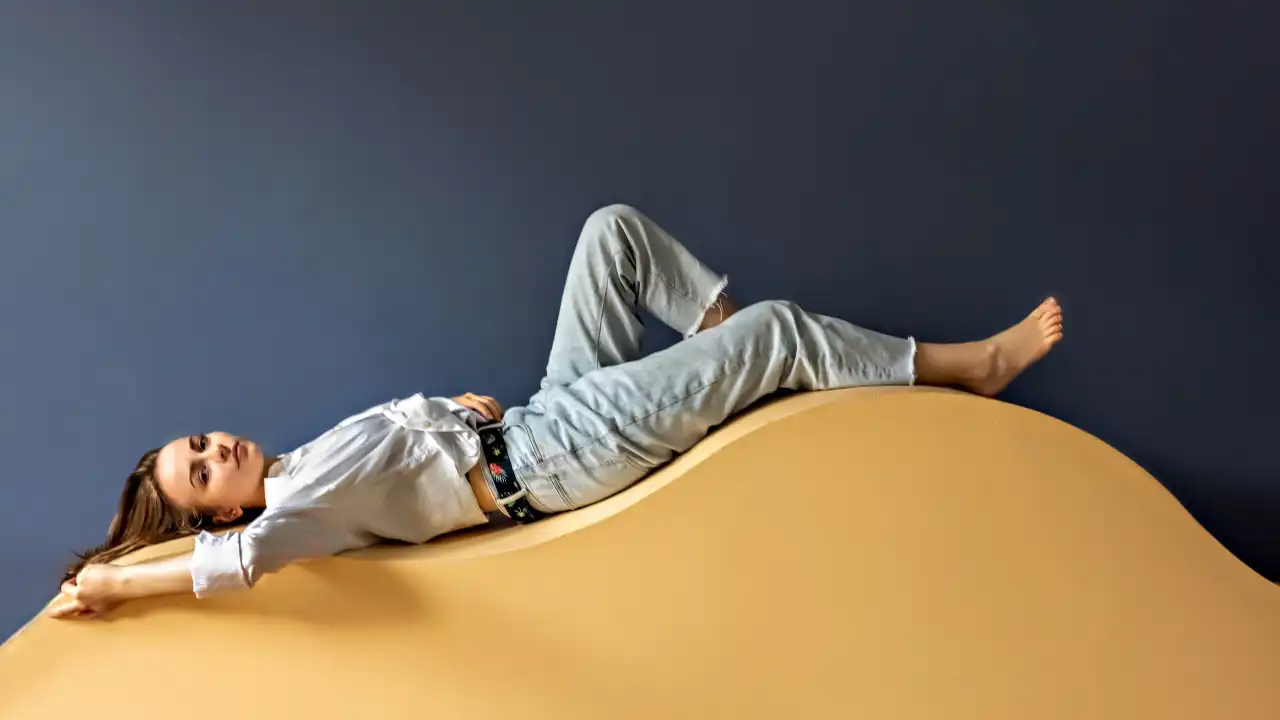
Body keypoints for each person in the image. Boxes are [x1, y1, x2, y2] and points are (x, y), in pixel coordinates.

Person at [47, 204, 1064, 620]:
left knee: (609, 234)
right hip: (556, 459)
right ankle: (960, 366)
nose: (216, 447)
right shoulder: (287, 517)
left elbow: (402, 448)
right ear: (222, 511)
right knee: (777, 331)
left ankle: (716, 351)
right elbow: (232, 569)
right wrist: (117, 586)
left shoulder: (303, 461)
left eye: (200, 442)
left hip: (533, 420)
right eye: (203, 470)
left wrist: (453, 407)